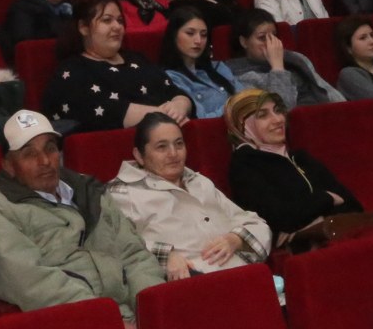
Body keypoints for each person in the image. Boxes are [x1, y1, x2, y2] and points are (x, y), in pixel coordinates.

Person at [0, 110, 163, 329]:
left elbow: (135, 255)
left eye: (50, 149)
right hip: (68, 325)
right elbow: (30, 284)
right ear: (8, 165)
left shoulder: (87, 189)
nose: (45, 161)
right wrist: (106, 321)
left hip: (131, 313)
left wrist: (151, 312)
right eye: (29, 154)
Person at [107, 113, 269, 279]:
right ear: (139, 155)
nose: (173, 153)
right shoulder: (123, 193)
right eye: (161, 147)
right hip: (190, 283)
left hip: (243, 274)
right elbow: (113, 245)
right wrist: (165, 255)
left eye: (179, 144)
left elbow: (257, 224)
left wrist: (235, 239)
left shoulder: (199, 182)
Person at [225, 88, 363, 248]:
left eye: (278, 111)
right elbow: (281, 219)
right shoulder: (245, 166)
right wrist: (328, 198)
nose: (278, 119)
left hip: (337, 236)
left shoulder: (299, 157)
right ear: (242, 125)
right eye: (263, 115)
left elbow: (353, 205)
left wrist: (314, 213)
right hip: (304, 250)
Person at [40, 0, 193, 134]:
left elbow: (174, 91)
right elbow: (108, 112)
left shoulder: (137, 59)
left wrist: (180, 105)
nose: (117, 26)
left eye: (120, 21)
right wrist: (165, 116)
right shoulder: (72, 71)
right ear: (83, 27)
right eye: (107, 20)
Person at [226, 9, 344, 107]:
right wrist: (277, 67)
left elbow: (325, 89)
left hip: (323, 114)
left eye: (274, 36)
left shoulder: (295, 58)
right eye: (262, 38)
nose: (271, 43)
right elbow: (281, 109)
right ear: (244, 42)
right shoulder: (238, 74)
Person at [158, 4, 241, 119]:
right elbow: (200, 118)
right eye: (190, 33)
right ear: (174, 35)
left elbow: (245, 97)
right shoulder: (170, 77)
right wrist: (235, 108)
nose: (198, 41)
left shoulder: (218, 67)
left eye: (203, 35)